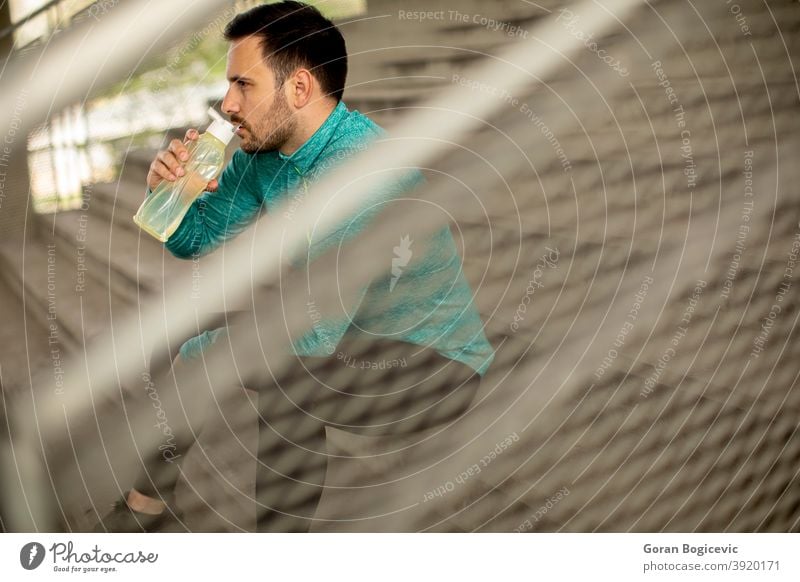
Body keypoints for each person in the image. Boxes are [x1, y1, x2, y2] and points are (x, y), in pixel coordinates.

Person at [96, 1, 493, 532]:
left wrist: (211, 354)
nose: (227, 103)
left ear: (299, 88)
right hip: (350, 336)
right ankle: (145, 509)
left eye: (244, 85)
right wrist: (169, 196)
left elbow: (313, 338)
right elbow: (195, 240)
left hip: (430, 370)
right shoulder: (265, 154)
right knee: (183, 342)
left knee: (288, 376)